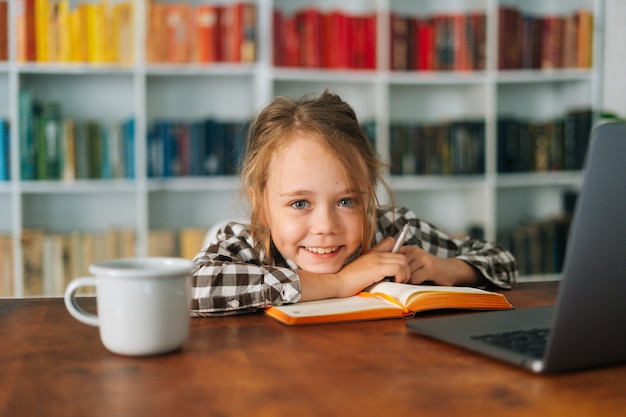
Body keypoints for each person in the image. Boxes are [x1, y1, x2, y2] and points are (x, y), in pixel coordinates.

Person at [190, 90, 517, 316]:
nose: (326, 228)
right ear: (261, 205)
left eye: (346, 201)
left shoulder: (389, 230)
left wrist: (449, 269)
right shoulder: (248, 245)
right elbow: (191, 288)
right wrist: (339, 282)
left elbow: (503, 261)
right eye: (300, 204)